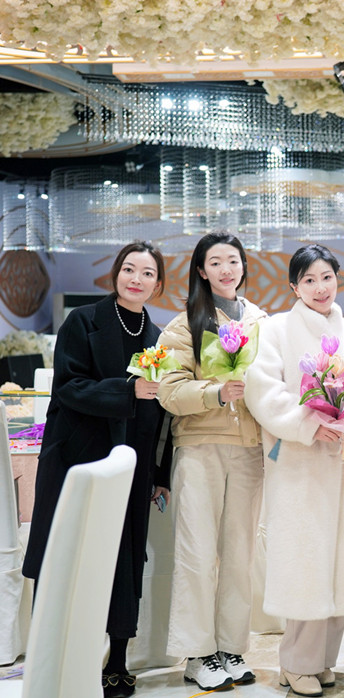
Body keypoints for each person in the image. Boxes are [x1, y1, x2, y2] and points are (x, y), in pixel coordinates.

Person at [23, 241, 171, 698]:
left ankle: (118, 661)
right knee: (68, 553)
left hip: (133, 464)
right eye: (129, 269)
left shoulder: (158, 338)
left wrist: (160, 473)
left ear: (158, 284)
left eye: (148, 273)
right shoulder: (83, 321)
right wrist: (128, 391)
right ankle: (54, 653)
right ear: (115, 273)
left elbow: (164, 414)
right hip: (77, 459)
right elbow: (69, 387)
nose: (136, 279)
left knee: (124, 560)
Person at [244, 244, 344, 697]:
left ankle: (324, 659)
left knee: (340, 563)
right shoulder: (275, 330)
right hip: (300, 465)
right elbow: (263, 393)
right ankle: (297, 663)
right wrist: (310, 425)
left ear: (337, 279)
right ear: (294, 287)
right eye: (309, 280)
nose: (320, 287)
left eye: (327, 277)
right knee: (305, 562)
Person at [157, 232, 267, 692]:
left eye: (233, 261)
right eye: (216, 262)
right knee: (197, 554)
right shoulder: (184, 323)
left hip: (249, 449)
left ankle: (230, 648)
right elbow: (168, 390)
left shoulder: (261, 321)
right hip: (200, 447)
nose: (226, 269)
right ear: (201, 270)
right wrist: (215, 392)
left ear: (243, 266)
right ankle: (197, 654)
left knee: (240, 556)